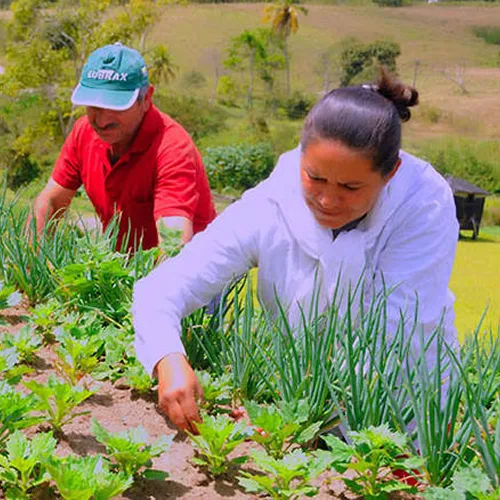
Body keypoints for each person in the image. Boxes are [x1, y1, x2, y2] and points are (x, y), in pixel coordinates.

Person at [132, 71, 460, 433]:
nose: (327, 200)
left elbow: (395, 344)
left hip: (401, 413)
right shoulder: (274, 201)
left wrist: (292, 416)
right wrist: (168, 357)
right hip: (298, 406)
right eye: (315, 178)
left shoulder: (422, 205)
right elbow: (163, 287)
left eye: (351, 187)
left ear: (391, 173)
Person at [28, 42, 217, 252]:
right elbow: (51, 202)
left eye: (115, 105)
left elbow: (174, 241)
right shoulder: (84, 132)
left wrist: (156, 284)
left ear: (145, 99)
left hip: (190, 276)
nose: (101, 119)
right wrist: (30, 264)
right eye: (93, 105)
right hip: (125, 268)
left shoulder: (172, 148)